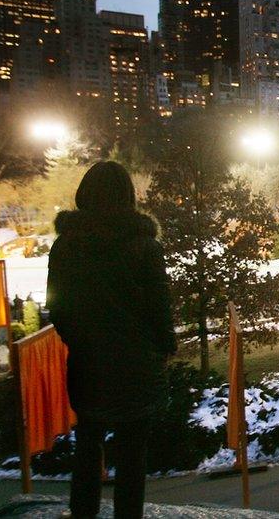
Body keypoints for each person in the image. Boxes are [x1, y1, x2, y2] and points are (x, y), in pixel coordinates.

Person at [47, 161, 175, 519]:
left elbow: (57, 309)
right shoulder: (144, 247)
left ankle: (83, 512)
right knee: (132, 457)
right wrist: (162, 349)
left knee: (87, 446)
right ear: (128, 197)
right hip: (136, 367)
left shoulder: (66, 246)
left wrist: (81, 342)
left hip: (88, 366)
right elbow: (159, 308)